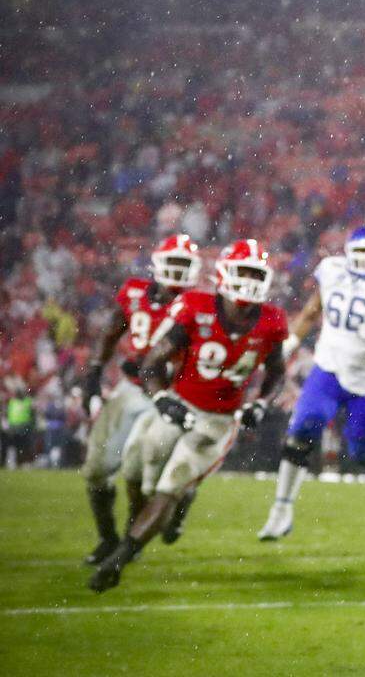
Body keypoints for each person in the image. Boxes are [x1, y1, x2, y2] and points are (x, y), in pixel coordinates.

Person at [89, 239, 289, 592]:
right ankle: (154, 519)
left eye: (255, 273)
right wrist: (162, 397)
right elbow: (152, 361)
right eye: (242, 271)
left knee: (170, 484)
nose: (248, 280)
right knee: (137, 472)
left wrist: (261, 401)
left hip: (218, 419)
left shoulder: (271, 321)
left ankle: (120, 557)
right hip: (178, 405)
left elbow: (277, 372)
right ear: (224, 273)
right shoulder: (196, 306)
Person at [259, 224, 365, 540]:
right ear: (348, 253)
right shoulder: (332, 272)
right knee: (302, 429)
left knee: (360, 451)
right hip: (328, 369)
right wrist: (290, 345)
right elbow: (310, 313)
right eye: (360, 252)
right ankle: (281, 510)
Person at [79, 234, 201, 565]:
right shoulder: (135, 293)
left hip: (175, 394)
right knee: (96, 470)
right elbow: (110, 333)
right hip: (133, 387)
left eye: (183, 264)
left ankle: (169, 509)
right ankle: (108, 539)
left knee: (147, 470)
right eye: (172, 263)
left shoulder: (199, 305)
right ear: (158, 264)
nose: (176, 271)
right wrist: (92, 373)